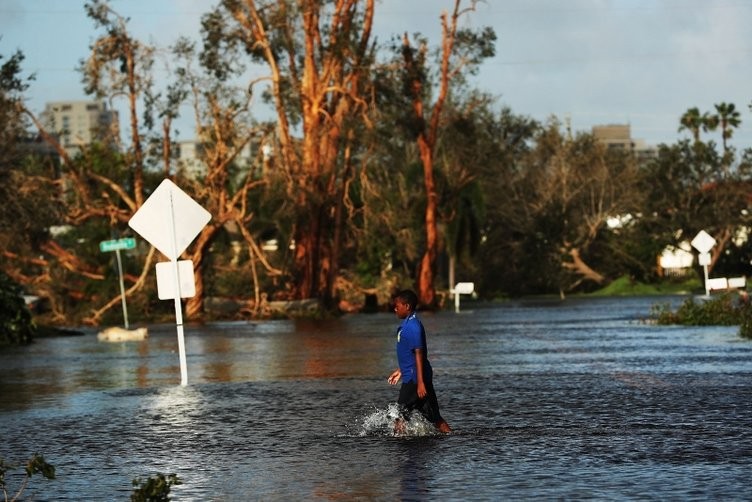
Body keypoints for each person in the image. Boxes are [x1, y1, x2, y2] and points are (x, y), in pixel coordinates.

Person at [387, 289, 452, 434]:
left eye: (398, 305)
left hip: (415, 379)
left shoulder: (413, 326)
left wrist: (420, 383)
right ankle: (453, 439)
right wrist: (400, 371)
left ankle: (399, 446)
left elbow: (419, 354)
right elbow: (409, 354)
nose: (395, 308)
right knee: (434, 417)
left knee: (399, 415)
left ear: (407, 306)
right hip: (415, 376)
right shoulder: (406, 325)